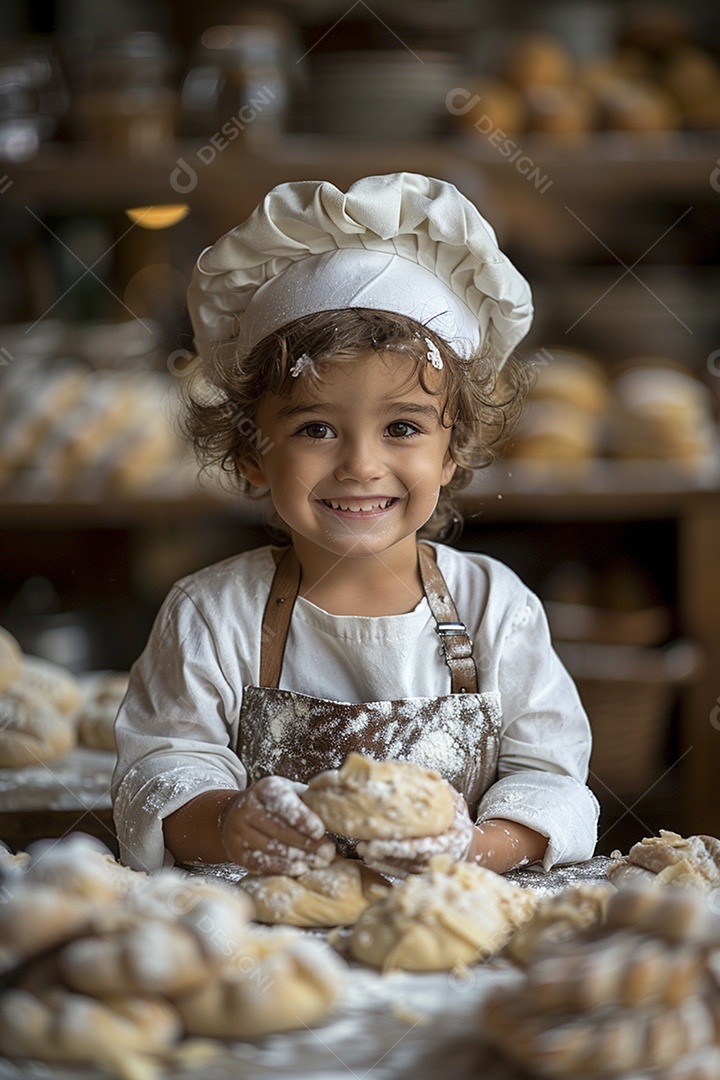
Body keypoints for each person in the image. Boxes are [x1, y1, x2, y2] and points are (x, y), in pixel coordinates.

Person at [112, 172, 599, 877]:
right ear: (252, 451)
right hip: (263, 954)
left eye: (402, 426)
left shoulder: (498, 610)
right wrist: (226, 823)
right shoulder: (211, 616)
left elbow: (553, 782)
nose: (361, 466)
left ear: (453, 449)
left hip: (458, 933)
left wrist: (475, 847)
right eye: (316, 428)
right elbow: (159, 774)